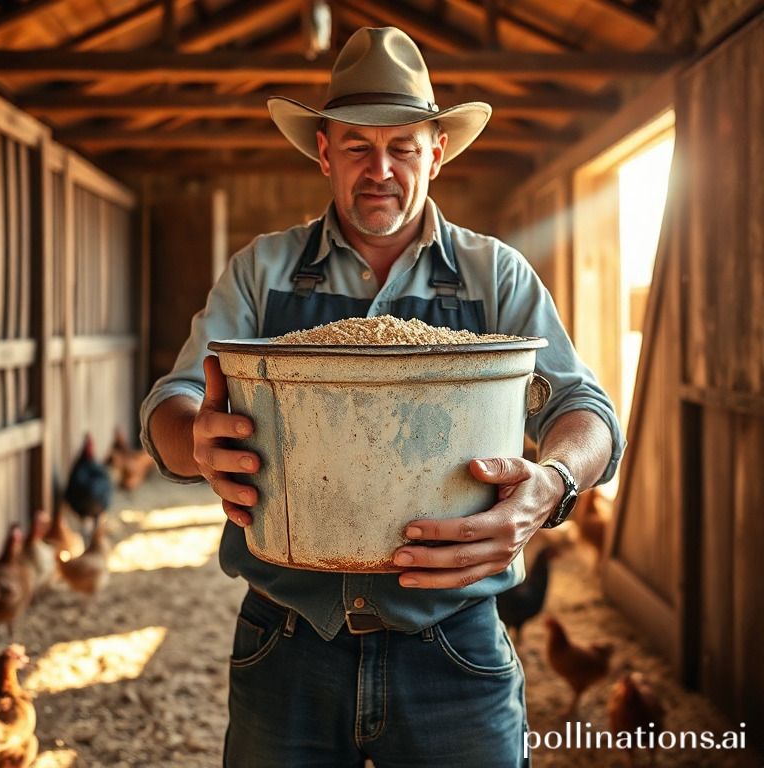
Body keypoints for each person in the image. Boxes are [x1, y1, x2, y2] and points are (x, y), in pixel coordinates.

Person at [140, 26, 624, 768]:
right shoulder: (263, 271)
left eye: (403, 147)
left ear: (437, 151)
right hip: (287, 637)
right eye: (359, 147)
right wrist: (195, 442)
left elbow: (585, 409)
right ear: (324, 151)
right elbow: (174, 401)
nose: (381, 169)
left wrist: (550, 485)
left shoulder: (495, 277)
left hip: (453, 641)